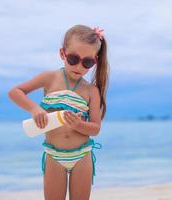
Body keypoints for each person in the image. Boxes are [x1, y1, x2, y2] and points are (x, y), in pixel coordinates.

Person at [8, 24, 109, 200]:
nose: (79, 66)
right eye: (73, 59)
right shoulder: (49, 78)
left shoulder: (91, 91)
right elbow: (15, 92)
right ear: (62, 54)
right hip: (54, 156)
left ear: (95, 61)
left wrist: (79, 125)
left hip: (82, 156)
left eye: (87, 62)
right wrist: (34, 108)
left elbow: (95, 128)